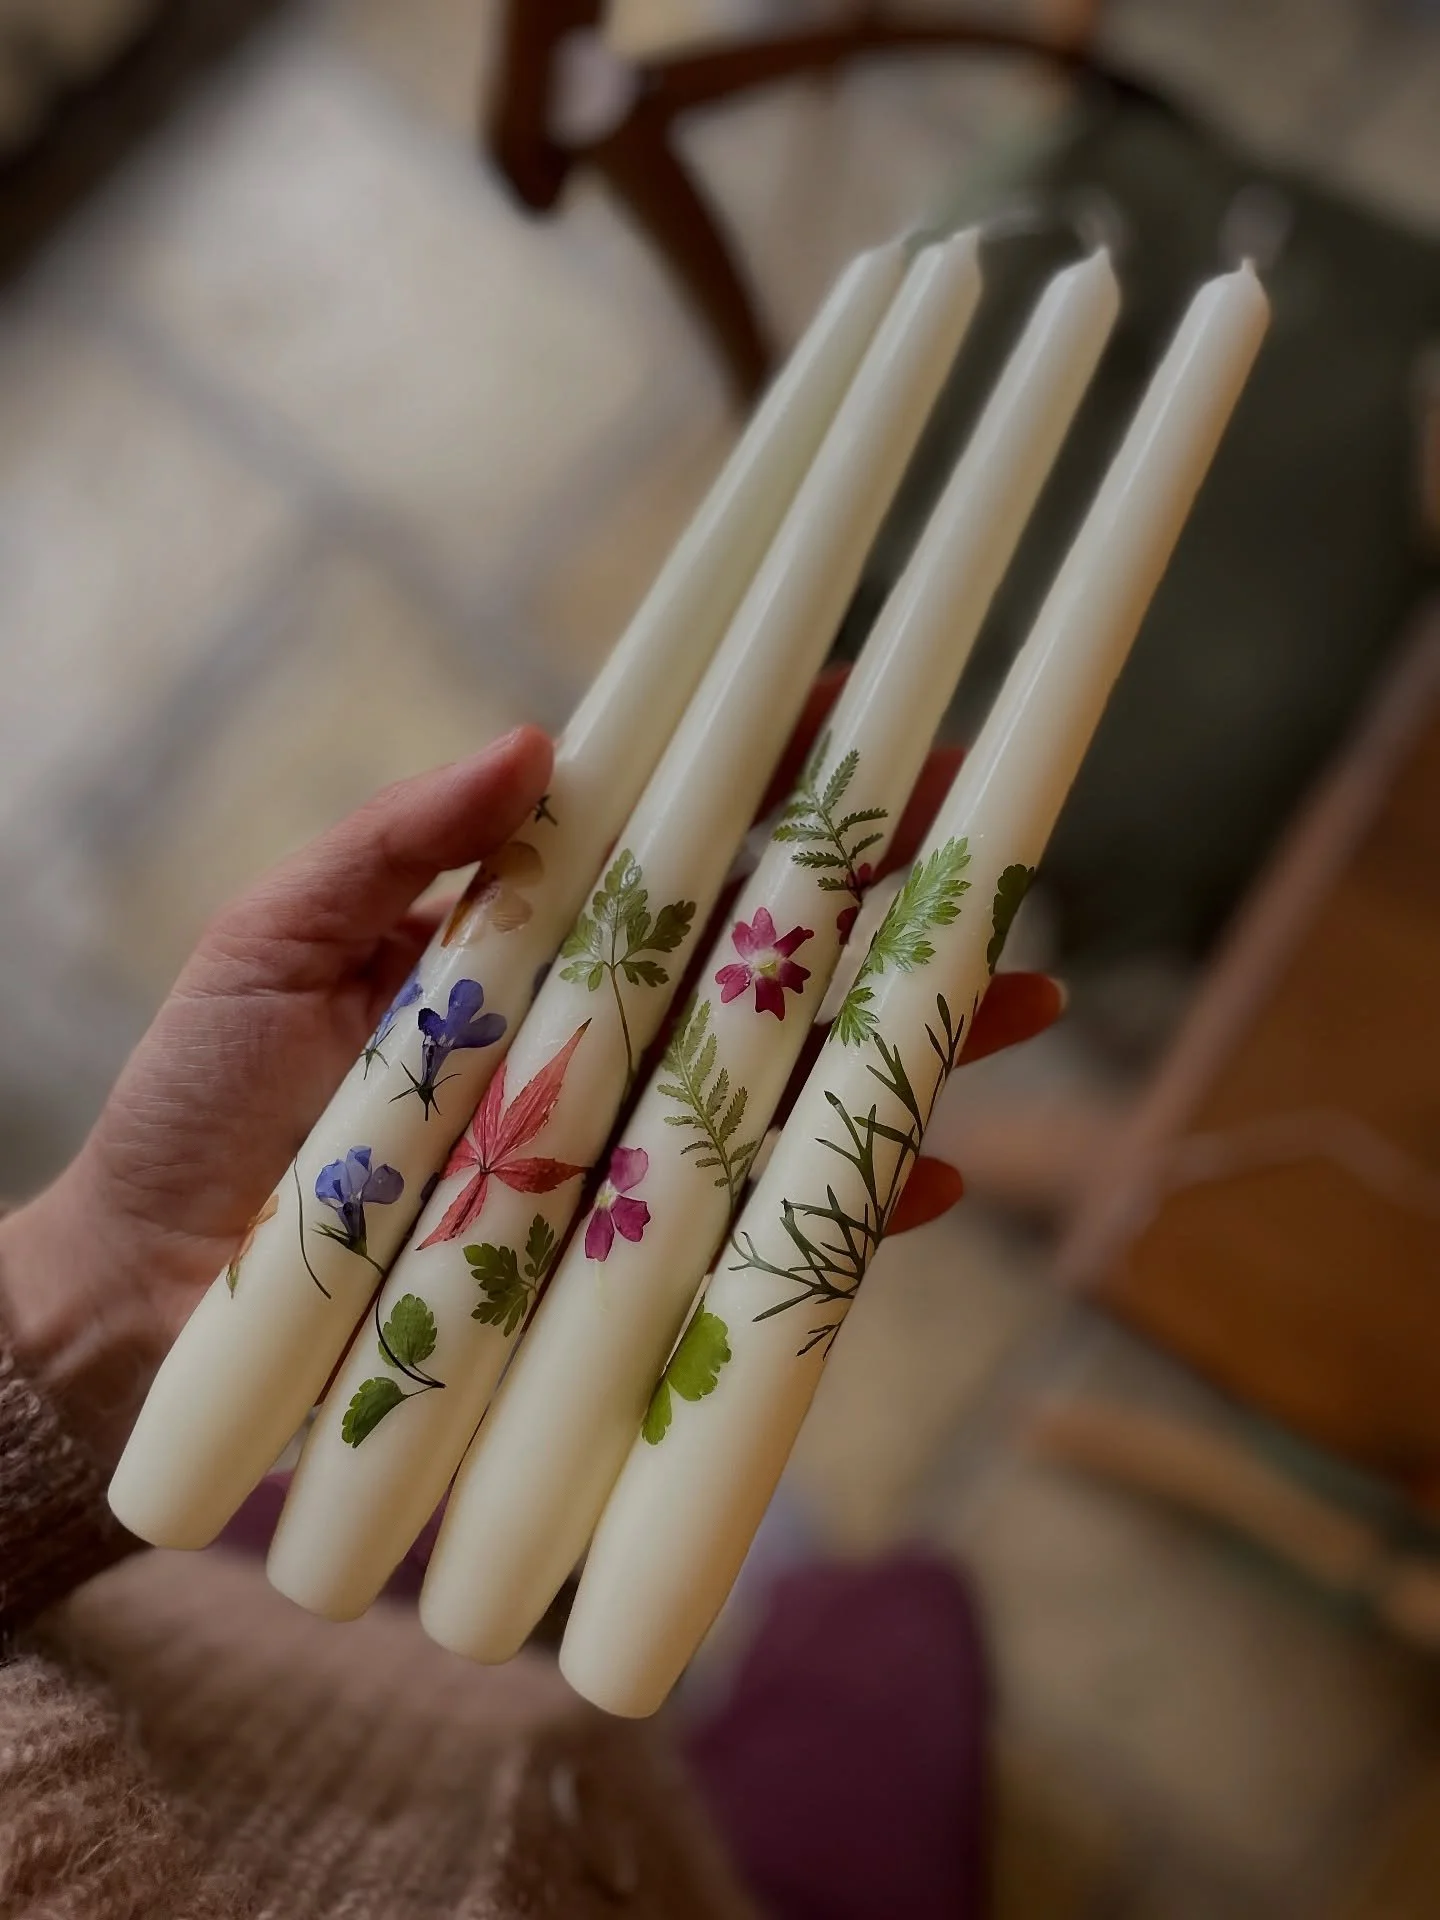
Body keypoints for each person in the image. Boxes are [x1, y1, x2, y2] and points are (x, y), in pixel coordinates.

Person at [0, 717, 1060, 1918]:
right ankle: (778, 1596)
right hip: (615, 1858)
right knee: (904, 1630)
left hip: (206, 1639)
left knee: (458, 1534)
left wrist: (81, 1300)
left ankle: (667, 1594)